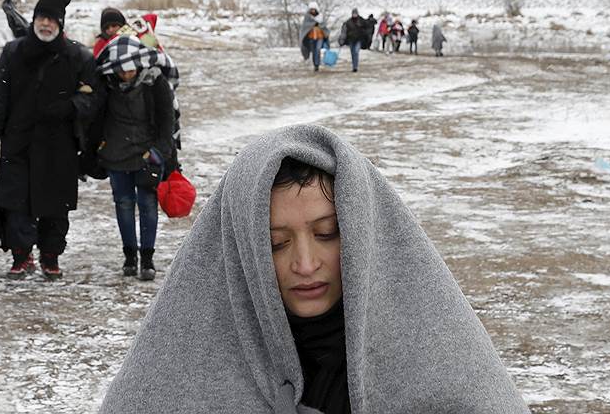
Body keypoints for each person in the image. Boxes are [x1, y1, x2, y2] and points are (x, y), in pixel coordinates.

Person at [98, 124, 529, 413]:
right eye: (275, 243)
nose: (305, 265)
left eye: (326, 233)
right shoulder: (182, 360)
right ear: (243, 250)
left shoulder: (436, 352)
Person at [0, 0, 98, 280]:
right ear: (34, 20)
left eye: (52, 19)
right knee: (16, 203)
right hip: (19, 143)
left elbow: (94, 96)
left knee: (55, 206)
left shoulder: (77, 57)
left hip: (60, 147)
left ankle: (50, 256)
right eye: (41, 18)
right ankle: (21, 256)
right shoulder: (14, 53)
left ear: (61, 23)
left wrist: (71, 107)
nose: (46, 24)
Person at [90, 34, 177, 280]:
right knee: (124, 205)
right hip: (116, 155)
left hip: (147, 156)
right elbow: (96, 117)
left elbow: (166, 121)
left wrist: (159, 152)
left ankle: (147, 259)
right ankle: (130, 256)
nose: (126, 75)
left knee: (148, 206)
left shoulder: (155, 83)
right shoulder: (106, 84)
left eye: (130, 70)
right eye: (121, 70)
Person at [299, 2, 329, 72]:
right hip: (311, 37)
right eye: (311, 9)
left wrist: (319, 25)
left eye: (314, 9)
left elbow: (324, 26)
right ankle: (315, 64)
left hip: (319, 37)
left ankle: (317, 64)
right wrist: (313, 24)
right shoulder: (307, 17)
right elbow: (305, 27)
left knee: (318, 50)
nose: (313, 11)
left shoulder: (320, 17)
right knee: (313, 51)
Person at [340, 8, 367, 72]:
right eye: (353, 13)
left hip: (359, 39)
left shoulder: (361, 21)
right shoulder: (348, 22)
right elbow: (344, 31)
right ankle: (354, 66)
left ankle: (355, 67)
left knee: (356, 52)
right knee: (353, 53)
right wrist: (342, 39)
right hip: (351, 40)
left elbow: (366, 28)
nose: (354, 15)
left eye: (355, 13)